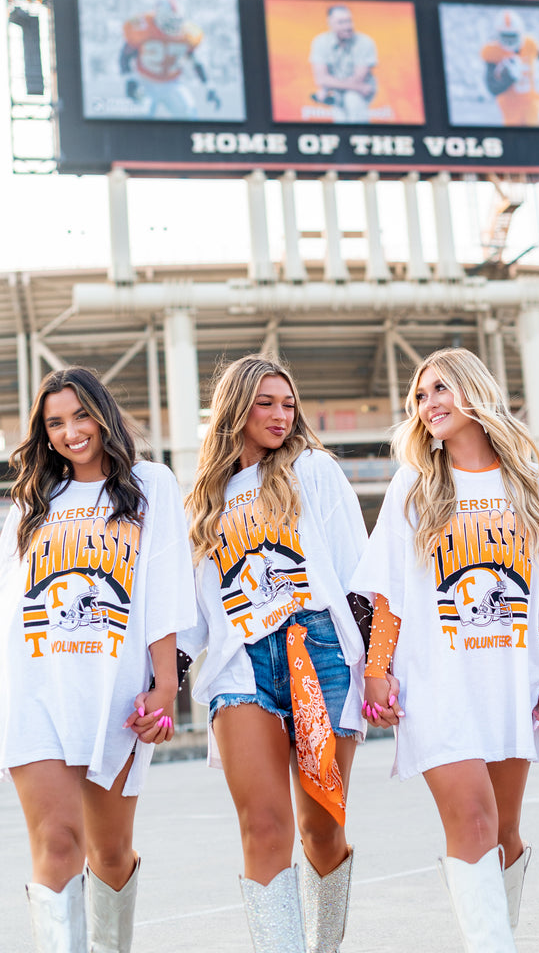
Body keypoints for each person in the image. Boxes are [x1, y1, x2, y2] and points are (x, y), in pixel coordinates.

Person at [351, 347, 539, 950]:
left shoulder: (530, 483)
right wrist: (377, 670)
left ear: (476, 392)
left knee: (504, 831)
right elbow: (390, 594)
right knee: (472, 821)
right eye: (420, 396)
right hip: (436, 683)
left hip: (510, 682)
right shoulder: (413, 487)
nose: (429, 405)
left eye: (441, 389)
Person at [0, 366, 196, 952]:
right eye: (55, 423)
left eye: (80, 415)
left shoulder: (150, 484)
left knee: (109, 851)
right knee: (57, 844)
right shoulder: (33, 499)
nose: (70, 432)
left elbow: (164, 585)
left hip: (111, 691)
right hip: (35, 685)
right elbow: (12, 597)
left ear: (103, 415)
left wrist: (165, 686)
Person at [184, 354, 370, 952]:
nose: (279, 414)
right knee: (263, 828)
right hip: (241, 665)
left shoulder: (313, 469)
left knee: (322, 828)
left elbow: (355, 571)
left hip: (320, 652)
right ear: (234, 408)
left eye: (287, 403)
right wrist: (166, 678)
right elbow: (191, 613)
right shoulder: (204, 500)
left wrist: (379, 666)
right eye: (265, 402)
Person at [481, 9, 539, 126]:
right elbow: (492, 88)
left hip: (531, 101)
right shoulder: (492, 52)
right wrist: (510, 78)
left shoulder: (529, 44)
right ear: (498, 35)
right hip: (510, 107)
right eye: (505, 36)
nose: (510, 40)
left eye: (513, 35)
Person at [309, 4, 377, 123]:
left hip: (357, 93)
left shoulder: (365, 42)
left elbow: (359, 79)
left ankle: (362, 137)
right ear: (330, 23)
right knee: (340, 119)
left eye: (349, 21)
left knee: (352, 98)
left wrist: (327, 88)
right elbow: (321, 79)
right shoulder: (320, 42)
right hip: (342, 92)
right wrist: (357, 87)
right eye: (341, 22)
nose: (347, 26)